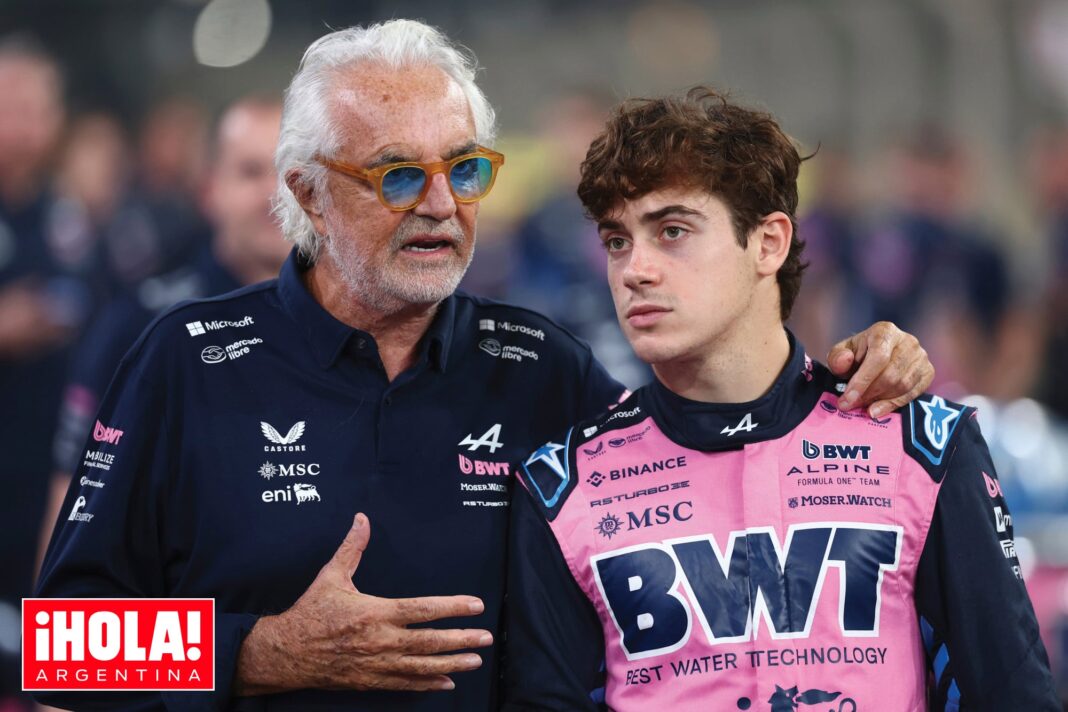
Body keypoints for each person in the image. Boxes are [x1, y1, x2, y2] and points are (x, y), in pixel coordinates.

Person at [37, 22, 933, 712]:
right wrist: (260, 652)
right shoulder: (187, 360)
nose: (440, 205)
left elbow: (718, 456)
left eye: (463, 171)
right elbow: (62, 649)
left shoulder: (539, 367)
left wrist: (851, 381)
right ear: (308, 193)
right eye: (397, 176)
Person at [504, 87, 1058, 710]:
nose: (635, 269)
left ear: (768, 243)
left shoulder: (922, 446)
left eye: (672, 231)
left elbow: (1014, 693)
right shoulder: (561, 486)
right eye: (617, 241)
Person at [38, 95, 291, 574]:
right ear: (210, 189)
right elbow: (67, 528)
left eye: (292, 173)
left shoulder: (361, 325)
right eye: (251, 171)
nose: (275, 193)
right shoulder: (139, 327)